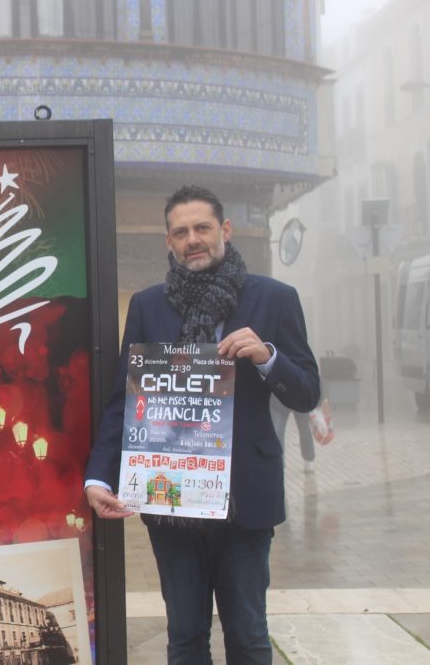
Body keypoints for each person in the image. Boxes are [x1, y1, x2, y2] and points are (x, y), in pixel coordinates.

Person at [84, 186, 319, 664]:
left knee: (249, 636)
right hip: (173, 503)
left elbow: (308, 391)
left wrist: (268, 356)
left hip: (245, 501)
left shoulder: (275, 300)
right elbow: (123, 404)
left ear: (225, 231)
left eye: (202, 228)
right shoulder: (149, 307)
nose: (193, 239)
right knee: (185, 638)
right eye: (181, 232)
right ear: (168, 242)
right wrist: (98, 475)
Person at [270, 395, 316, 472]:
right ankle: (279, 464)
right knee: (277, 432)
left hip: (299, 397)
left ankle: (309, 458)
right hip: (278, 401)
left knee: (305, 429)